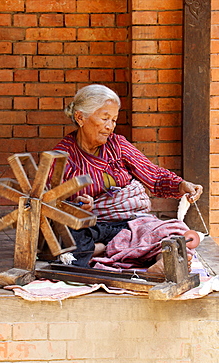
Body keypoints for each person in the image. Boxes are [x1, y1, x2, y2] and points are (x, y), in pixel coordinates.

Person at [48, 84, 203, 273]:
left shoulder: (117, 145)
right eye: (105, 118)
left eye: (114, 120)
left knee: (172, 230)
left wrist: (181, 185)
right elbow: (51, 204)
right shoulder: (62, 156)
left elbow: (153, 176)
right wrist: (76, 207)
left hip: (129, 222)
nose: (110, 126)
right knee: (68, 240)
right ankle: (113, 250)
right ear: (81, 117)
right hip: (92, 228)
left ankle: (163, 263)